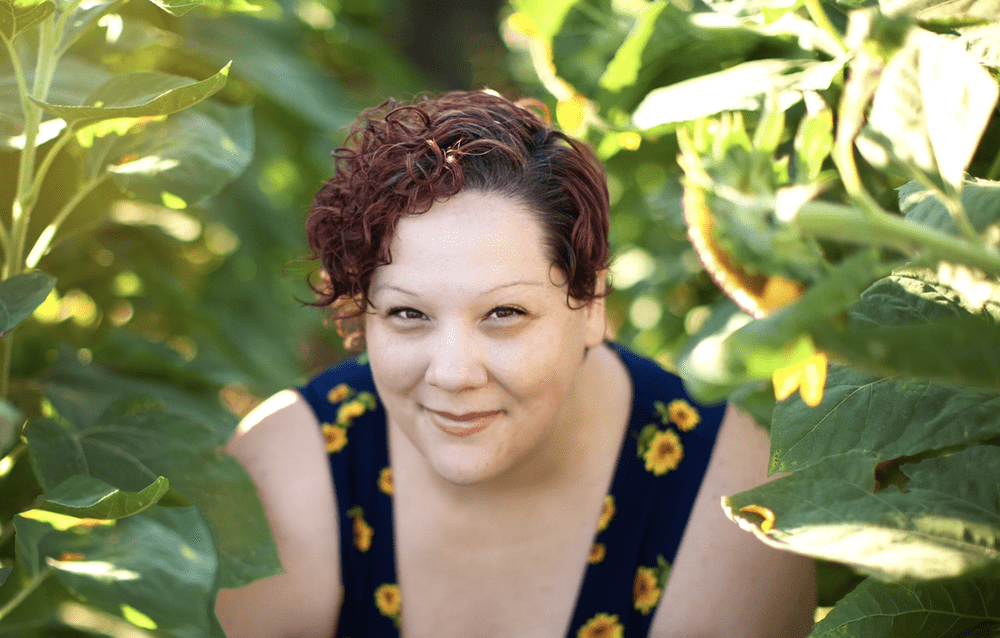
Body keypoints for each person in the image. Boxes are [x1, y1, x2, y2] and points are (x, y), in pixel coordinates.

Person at [215, 90, 816, 638]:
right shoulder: (281, 476)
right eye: (407, 315)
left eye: (504, 313)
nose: (453, 374)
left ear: (591, 305)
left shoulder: (731, 506)